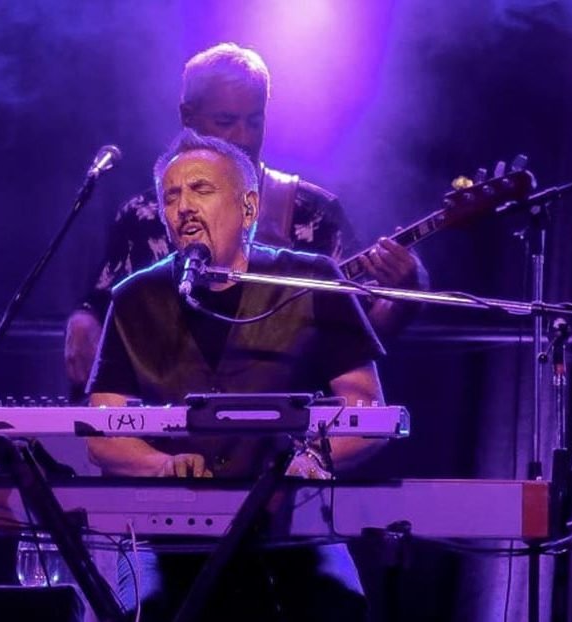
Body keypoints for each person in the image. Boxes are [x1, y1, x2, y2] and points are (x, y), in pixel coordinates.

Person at [85, 128, 387, 621]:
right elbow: (103, 433)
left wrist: (312, 459)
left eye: (201, 189)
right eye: (171, 196)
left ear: (248, 208)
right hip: (169, 529)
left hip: (293, 519)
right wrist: (160, 465)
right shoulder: (134, 296)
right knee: (148, 609)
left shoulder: (312, 279)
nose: (184, 207)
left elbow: (366, 410)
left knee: (340, 605)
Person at [65, 42, 427, 393]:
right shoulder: (142, 215)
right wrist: (84, 318)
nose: (243, 137)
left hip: (287, 416)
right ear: (188, 117)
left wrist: (407, 292)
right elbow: (103, 304)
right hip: (167, 412)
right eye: (226, 121)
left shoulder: (313, 211)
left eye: (254, 122)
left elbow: (360, 337)